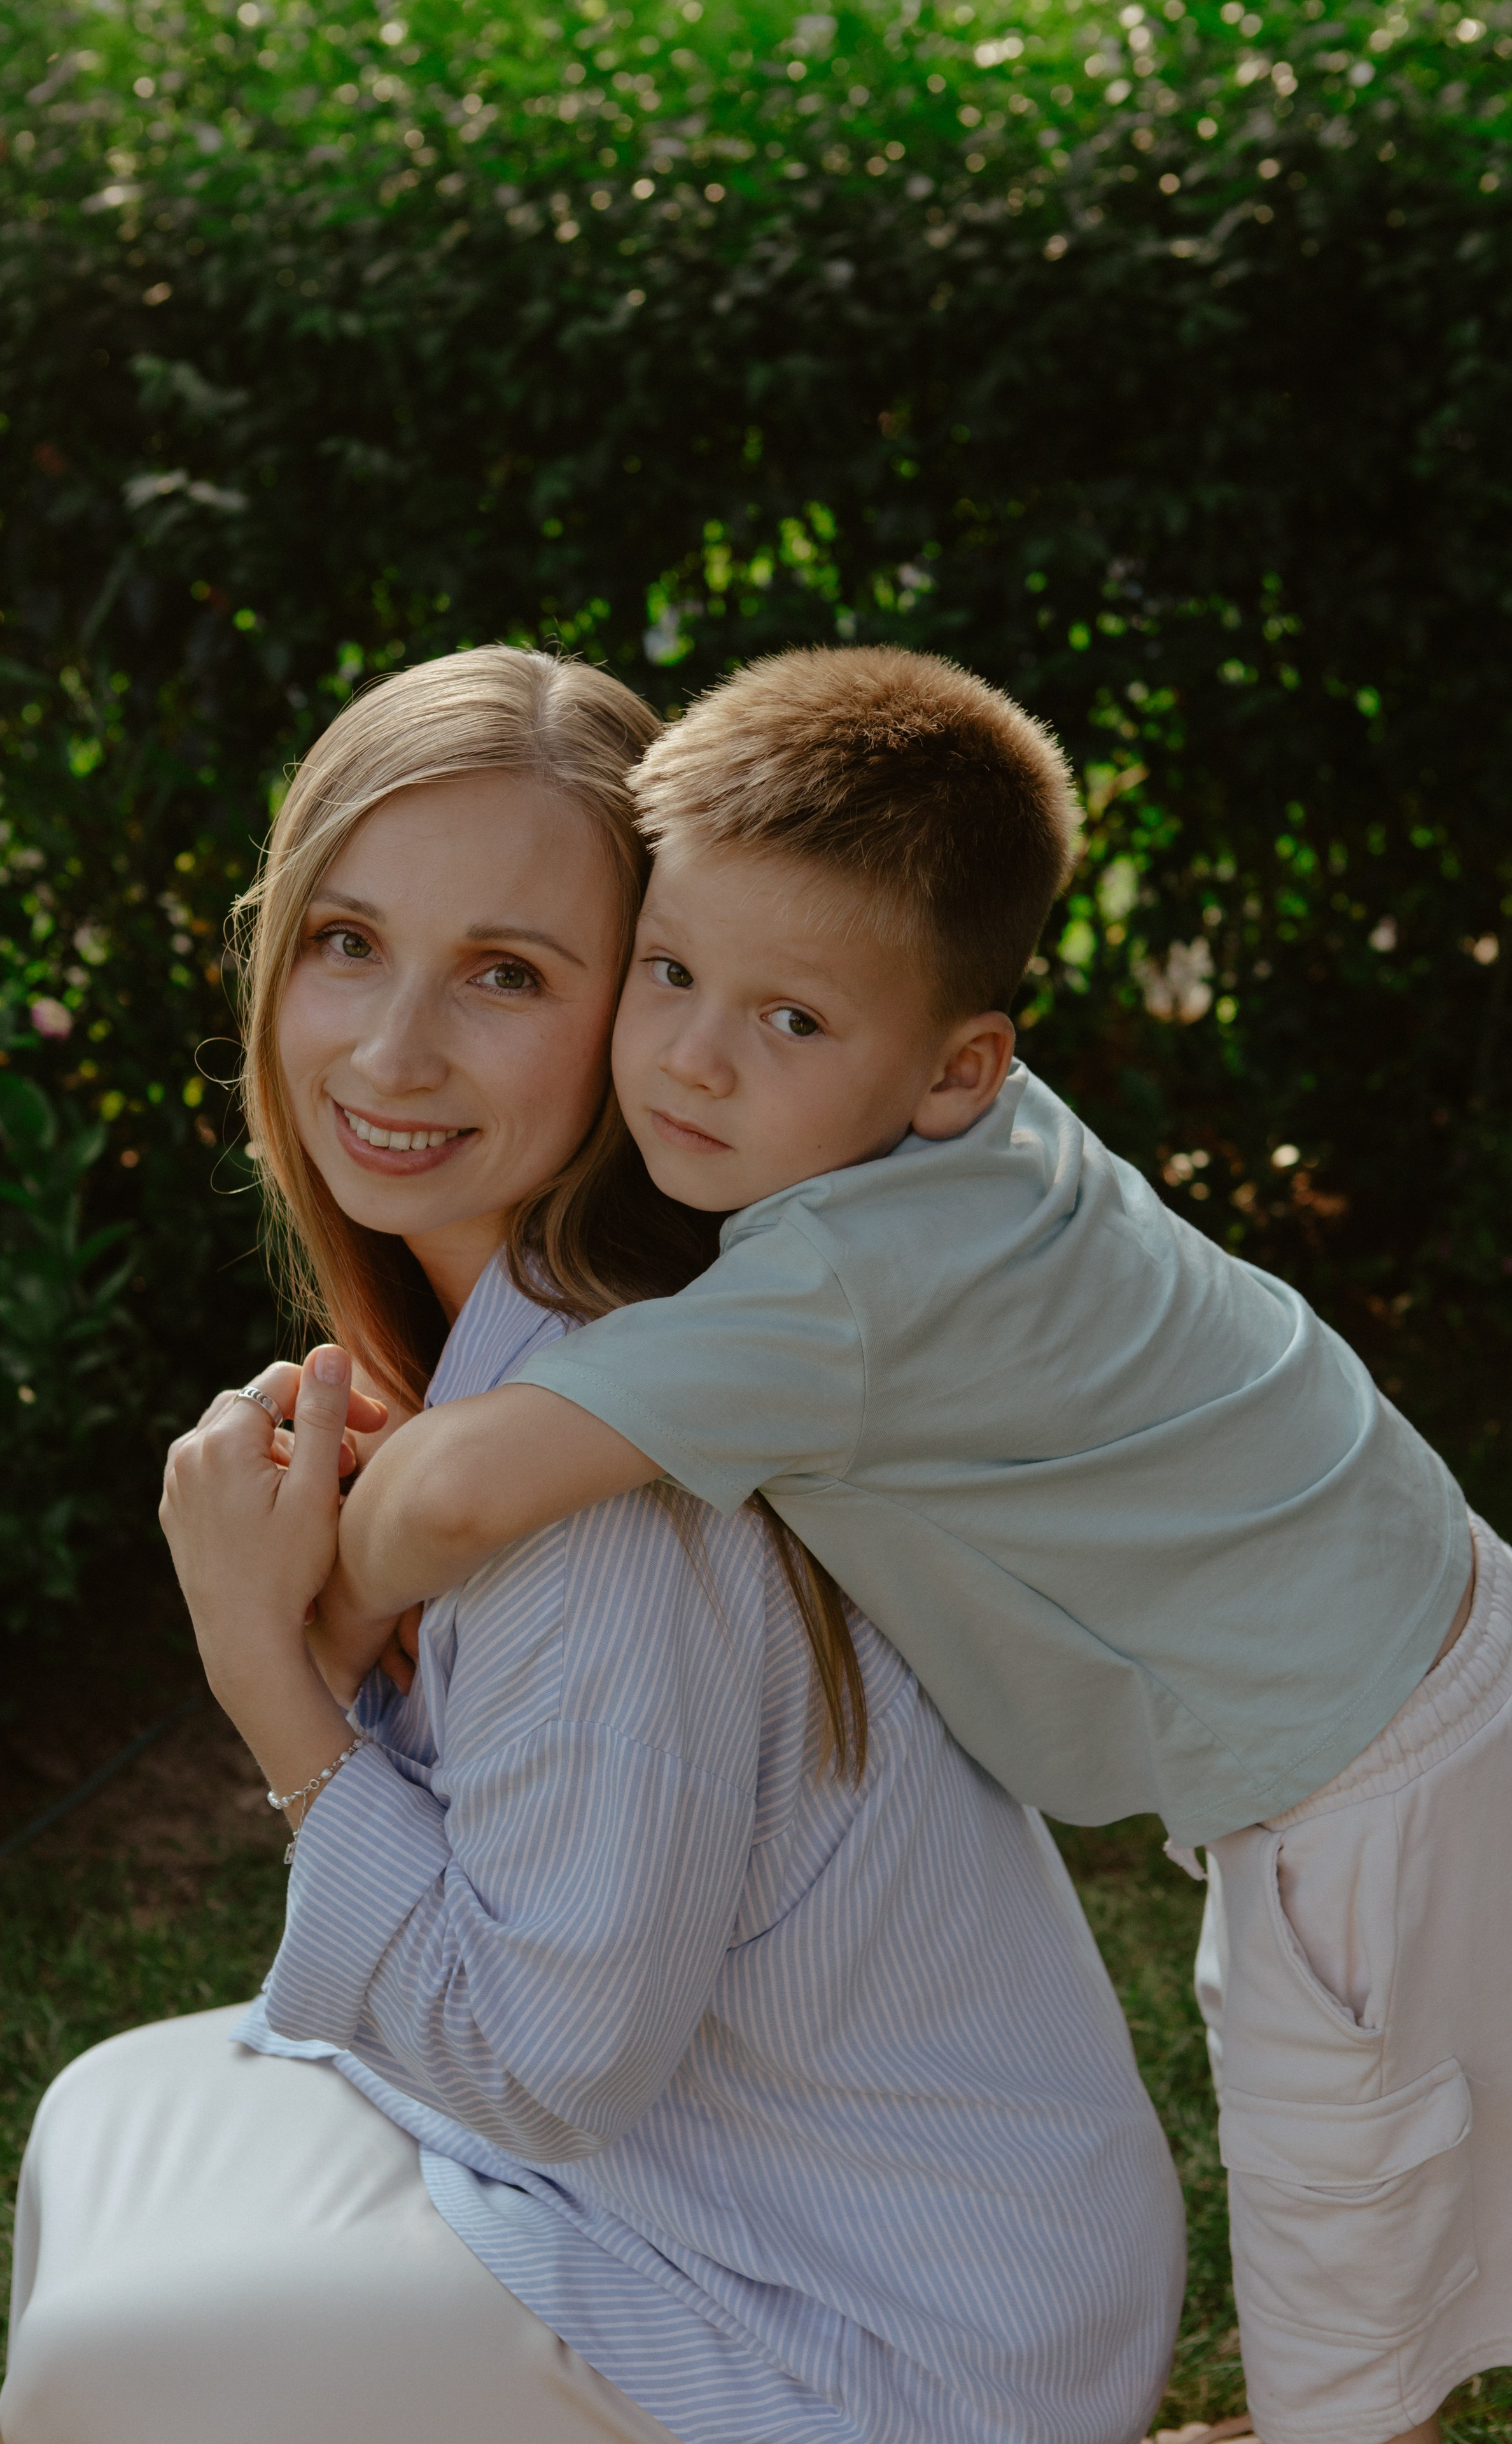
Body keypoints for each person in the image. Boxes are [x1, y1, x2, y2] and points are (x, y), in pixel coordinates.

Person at [319, 644, 1512, 2444]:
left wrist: (307, 1604)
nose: (697, 1061)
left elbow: (458, 1498)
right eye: (667, 973)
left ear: (959, 1067)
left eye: (792, 1021)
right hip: (1410, 1651)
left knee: (1338, 2193)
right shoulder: (961, 1155)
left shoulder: (834, 1291)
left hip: (1375, 1766)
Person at [0, 645, 1186, 2444]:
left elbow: (546, 2069)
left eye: (506, 974)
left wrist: (272, 1680)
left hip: (875, 2335)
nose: (392, 1049)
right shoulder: (545, 1366)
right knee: (109, 2118)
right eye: (346, 941)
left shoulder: (597, 1490)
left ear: (637, 1007)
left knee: (110, 2360)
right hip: (721, 2194)